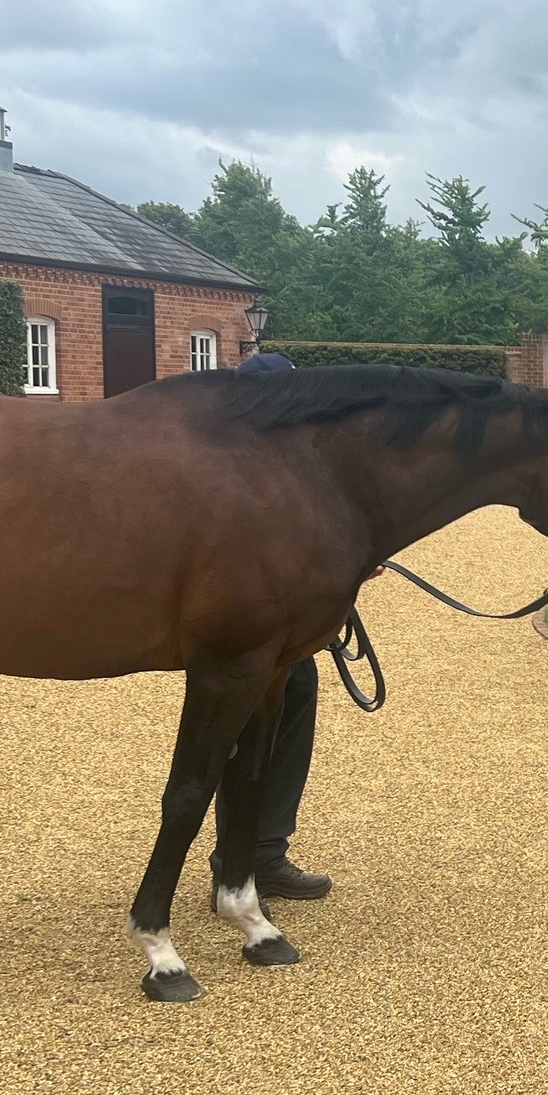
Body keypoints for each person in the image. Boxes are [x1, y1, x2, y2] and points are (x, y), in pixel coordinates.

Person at [208, 348, 332, 901]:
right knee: (248, 722)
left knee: (286, 700)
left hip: (268, 617)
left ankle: (255, 854)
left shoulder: (260, 450)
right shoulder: (250, 458)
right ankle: (248, 859)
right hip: (247, 623)